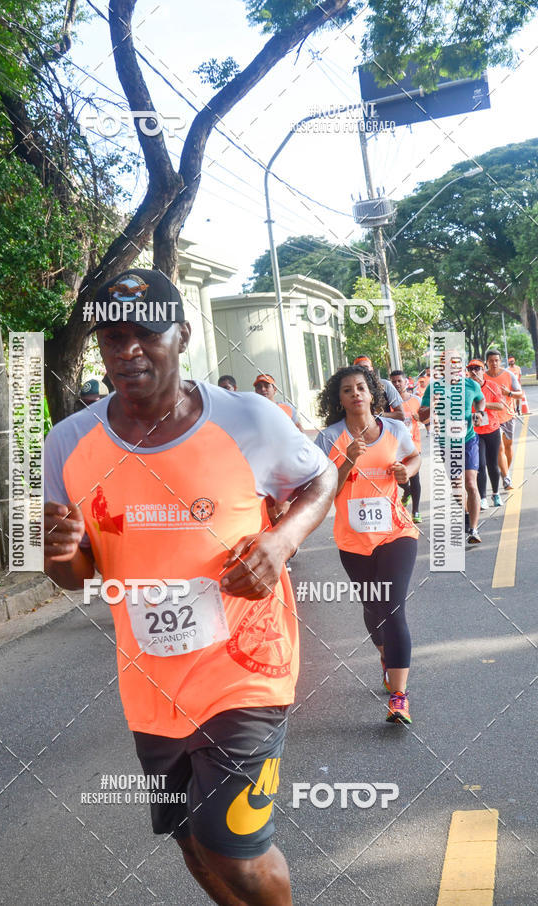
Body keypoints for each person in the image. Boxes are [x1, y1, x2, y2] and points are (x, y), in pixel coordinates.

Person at [44, 267, 337, 906]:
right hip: (151, 680)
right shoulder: (68, 443)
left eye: (145, 334)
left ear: (182, 336)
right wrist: (58, 553)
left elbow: (320, 481)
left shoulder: (249, 420)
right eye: (112, 337)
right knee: (191, 844)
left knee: (234, 844)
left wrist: (281, 542)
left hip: (246, 668)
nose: (127, 351)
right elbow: (74, 574)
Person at [315, 365, 420, 724]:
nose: (356, 394)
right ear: (339, 399)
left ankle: (400, 697)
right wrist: (346, 461)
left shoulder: (393, 428)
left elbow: (413, 456)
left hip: (396, 532)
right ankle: (385, 653)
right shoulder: (329, 438)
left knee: (393, 608)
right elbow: (325, 489)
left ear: (372, 393)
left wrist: (409, 470)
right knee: (374, 609)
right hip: (353, 539)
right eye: (347, 390)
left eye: (361, 387)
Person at [419, 356, 486, 544]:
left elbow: (481, 401)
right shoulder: (434, 387)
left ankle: (473, 529)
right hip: (447, 444)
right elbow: (420, 415)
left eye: (456, 364)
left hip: (469, 440)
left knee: (471, 484)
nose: (453, 368)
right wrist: (432, 404)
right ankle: (466, 512)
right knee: (457, 489)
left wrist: (480, 413)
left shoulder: (471, 385)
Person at [467, 360, 504, 508]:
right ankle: (482, 497)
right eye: (471, 369)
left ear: (483, 370)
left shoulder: (492, 386)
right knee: (480, 465)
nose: (474, 371)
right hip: (475, 432)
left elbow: (500, 405)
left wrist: (481, 404)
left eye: (478, 368)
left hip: (492, 429)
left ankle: (495, 493)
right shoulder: (466, 388)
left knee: (493, 465)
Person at [485, 350, 523, 489]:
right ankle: (507, 478)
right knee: (499, 447)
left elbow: (520, 394)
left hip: (508, 415)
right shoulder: (482, 378)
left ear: (500, 361)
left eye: (496, 360)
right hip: (491, 419)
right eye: (491, 361)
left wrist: (509, 393)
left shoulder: (509, 375)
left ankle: (505, 470)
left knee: (508, 446)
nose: (494, 363)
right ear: (487, 363)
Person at [390, 370, 422, 522]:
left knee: (415, 478)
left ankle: (415, 511)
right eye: (393, 382)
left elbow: (426, 418)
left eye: (399, 381)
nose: (396, 384)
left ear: (406, 382)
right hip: (394, 447)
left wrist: (420, 418)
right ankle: (407, 490)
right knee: (396, 478)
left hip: (413, 446)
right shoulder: (388, 404)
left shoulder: (416, 400)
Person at [351, 356, 405, 421]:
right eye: (359, 368)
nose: (363, 370)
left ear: (371, 369)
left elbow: (401, 415)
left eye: (366, 367)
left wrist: (379, 415)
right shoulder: (350, 389)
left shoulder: (385, 385)